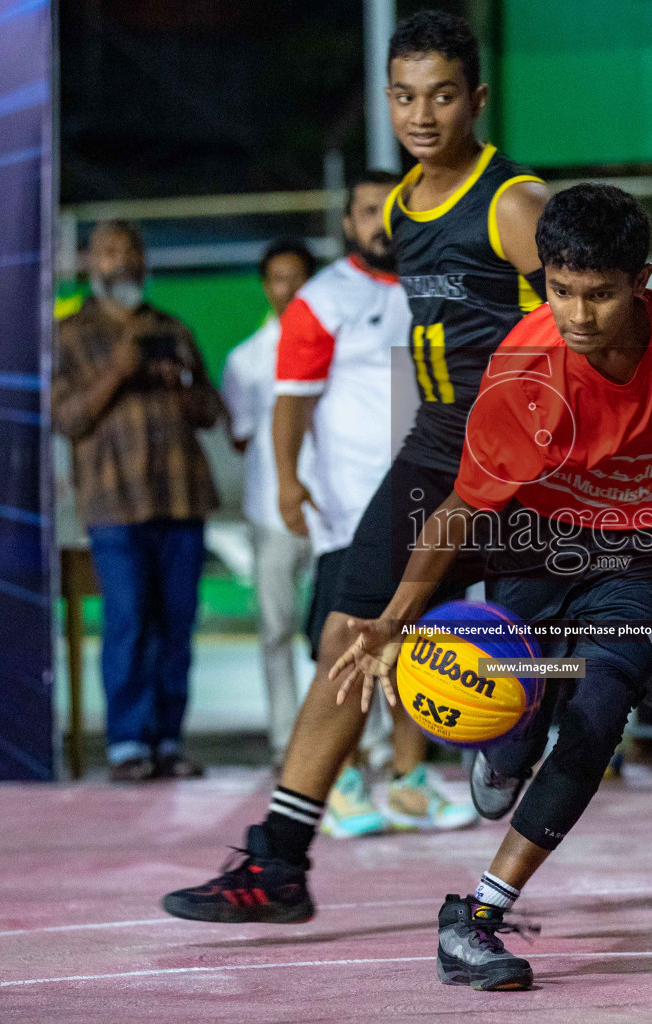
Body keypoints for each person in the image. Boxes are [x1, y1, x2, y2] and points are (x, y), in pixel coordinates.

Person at [160, 13, 652, 941]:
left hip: (538, 451)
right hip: (443, 445)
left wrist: (639, 469)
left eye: (442, 94)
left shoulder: (513, 206)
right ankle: (280, 858)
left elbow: (581, 299)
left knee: (621, 666)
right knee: (354, 632)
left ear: (475, 99)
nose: (422, 114)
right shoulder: (403, 205)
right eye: (404, 95)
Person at [329, 183, 652, 992]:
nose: (577, 313)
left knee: (601, 708)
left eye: (600, 294)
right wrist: (395, 618)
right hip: (540, 542)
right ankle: (521, 745)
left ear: (640, 279)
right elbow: (465, 506)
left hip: (649, 546)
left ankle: (476, 917)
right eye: (560, 291)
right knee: (541, 693)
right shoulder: (526, 369)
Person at [271, 169, 474, 836]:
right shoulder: (323, 298)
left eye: (394, 209)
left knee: (425, 645)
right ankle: (344, 782)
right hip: (352, 506)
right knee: (350, 644)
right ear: (348, 224)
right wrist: (287, 481)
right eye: (367, 211)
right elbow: (292, 403)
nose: (382, 223)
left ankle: (411, 782)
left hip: (431, 501)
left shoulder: (447, 287)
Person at [53, 221, 224, 782]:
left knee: (176, 625)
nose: (118, 261)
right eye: (106, 252)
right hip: (113, 506)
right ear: (89, 264)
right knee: (127, 622)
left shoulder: (172, 328)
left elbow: (209, 411)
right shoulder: (69, 335)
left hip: (180, 500)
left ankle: (168, 741)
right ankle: (128, 744)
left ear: (144, 260)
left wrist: (181, 381)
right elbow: (69, 419)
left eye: (128, 251)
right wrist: (117, 370)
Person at [221, 240, 315, 769]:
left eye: (299, 278)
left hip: (332, 513)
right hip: (270, 516)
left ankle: (364, 741)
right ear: (266, 287)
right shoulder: (245, 360)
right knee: (277, 631)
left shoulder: (337, 347)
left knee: (347, 632)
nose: (290, 289)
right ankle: (285, 742)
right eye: (279, 279)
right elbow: (239, 437)